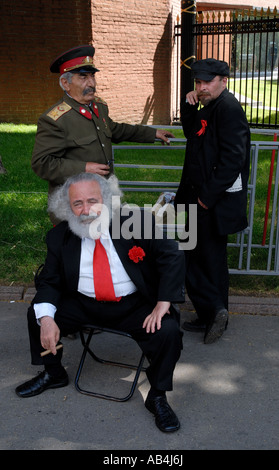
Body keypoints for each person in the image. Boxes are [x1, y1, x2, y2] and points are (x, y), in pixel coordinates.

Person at [15, 172, 185, 433]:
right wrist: (47, 319)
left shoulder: (135, 222)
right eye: (77, 203)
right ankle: (53, 372)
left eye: (92, 201)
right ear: (67, 207)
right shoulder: (59, 237)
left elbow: (171, 255)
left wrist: (164, 301)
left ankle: (158, 395)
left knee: (169, 330)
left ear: (107, 199)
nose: (86, 210)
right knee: (37, 314)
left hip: (134, 305)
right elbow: (50, 282)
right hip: (83, 303)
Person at [31, 45, 174, 203]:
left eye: (92, 76)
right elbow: (41, 163)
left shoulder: (98, 106)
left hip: (102, 193)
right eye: (83, 77)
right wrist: (84, 169)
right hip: (75, 203)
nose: (92, 83)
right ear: (66, 83)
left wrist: (152, 133)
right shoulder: (55, 119)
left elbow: (114, 130)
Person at [174, 58, 250, 344]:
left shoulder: (228, 109)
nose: (202, 87)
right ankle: (212, 314)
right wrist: (189, 105)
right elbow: (193, 135)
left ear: (223, 81)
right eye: (198, 83)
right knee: (202, 257)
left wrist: (206, 198)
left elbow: (234, 159)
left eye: (207, 82)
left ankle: (214, 310)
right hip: (195, 197)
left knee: (198, 257)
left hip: (207, 200)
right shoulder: (210, 106)